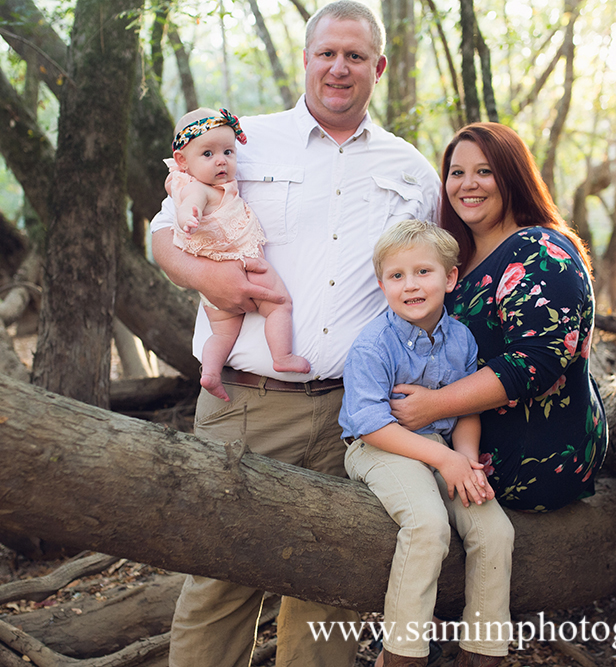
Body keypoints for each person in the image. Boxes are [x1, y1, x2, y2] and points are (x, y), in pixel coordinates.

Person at [150, 2, 441, 665]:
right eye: (327, 53)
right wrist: (209, 279)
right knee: (221, 577)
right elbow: (160, 231)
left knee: (329, 583)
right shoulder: (241, 140)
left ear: (379, 67)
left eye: (356, 56)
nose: (339, 68)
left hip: (356, 414)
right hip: (248, 402)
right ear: (306, 59)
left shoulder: (411, 171)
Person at [390, 122, 608, 514]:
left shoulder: (537, 249)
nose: (467, 184)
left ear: (513, 176)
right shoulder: (458, 259)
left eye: (484, 171)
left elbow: (535, 362)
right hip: (459, 454)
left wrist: (436, 406)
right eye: (457, 173)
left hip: (532, 465)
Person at [340, 219, 513, 667]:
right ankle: (402, 654)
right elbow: (371, 424)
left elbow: (467, 410)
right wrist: (443, 458)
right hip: (379, 448)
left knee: (495, 530)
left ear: (450, 277)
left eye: (423, 272)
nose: (410, 285)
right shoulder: (373, 344)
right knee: (427, 525)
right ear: (382, 285)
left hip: (442, 450)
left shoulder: (461, 338)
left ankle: (482, 652)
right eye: (397, 276)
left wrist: (467, 461)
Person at [165, 106, 310, 400]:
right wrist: (188, 216)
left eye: (228, 152)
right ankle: (282, 355)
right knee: (279, 306)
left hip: (216, 281)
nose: (221, 161)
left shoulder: (201, 183)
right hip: (243, 265)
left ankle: (210, 373)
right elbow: (189, 203)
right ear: (183, 161)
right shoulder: (199, 189)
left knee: (222, 334)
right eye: (208, 154)